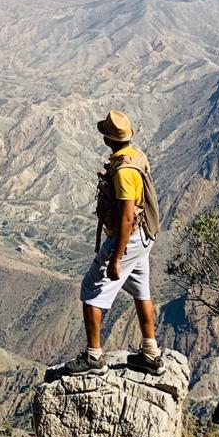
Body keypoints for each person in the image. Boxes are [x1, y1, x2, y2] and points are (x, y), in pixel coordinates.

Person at [64, 109, 164, 375]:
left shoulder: (123, 172)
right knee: (141, 290)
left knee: (91, 290)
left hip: (128, 238)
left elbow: (127, 217)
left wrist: (116, 258)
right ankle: (151, 354)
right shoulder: (137, 156)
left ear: (109, 138)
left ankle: (94, 358)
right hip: (145, 235)